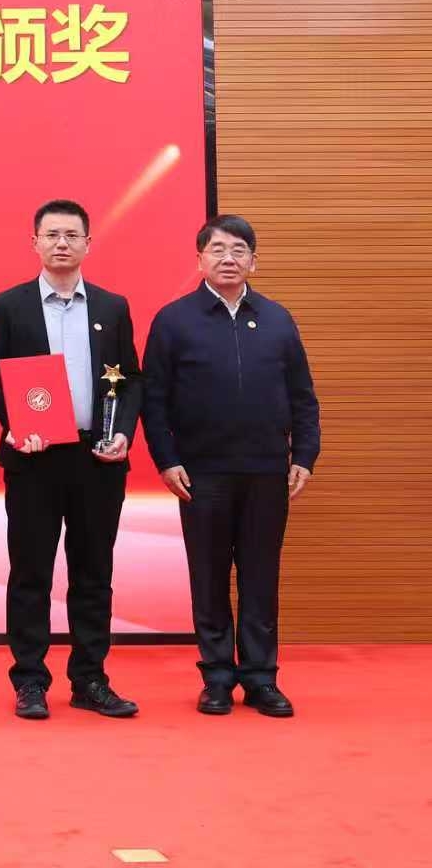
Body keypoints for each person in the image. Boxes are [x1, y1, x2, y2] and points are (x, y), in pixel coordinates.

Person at [142, 213, 320, 718]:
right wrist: (166, 460)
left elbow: (303, 396)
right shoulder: (174, 320)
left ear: (253, 262)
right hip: (202, 473)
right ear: (199, 259)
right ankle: (217, 677)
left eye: (238, 250)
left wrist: (304, 455)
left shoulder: (278, 320)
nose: (228, 258)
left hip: (267, 471)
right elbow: (153, 400)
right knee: (209, 576)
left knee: (261, 576)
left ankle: (261, 678)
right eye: (217, 249)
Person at [0, 198, 142, 721]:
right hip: (34, 459)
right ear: (35, 242)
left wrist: (123, 433)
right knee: (31, 573)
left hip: (97, 458)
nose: (62, 243)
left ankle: (90, 679)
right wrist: (16, 426)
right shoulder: (10, 305)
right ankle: (30, 680)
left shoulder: (112, 307)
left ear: (88, 244)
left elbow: (131, 379)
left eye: (72, 235)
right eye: (51, 234)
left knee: (93, 573)